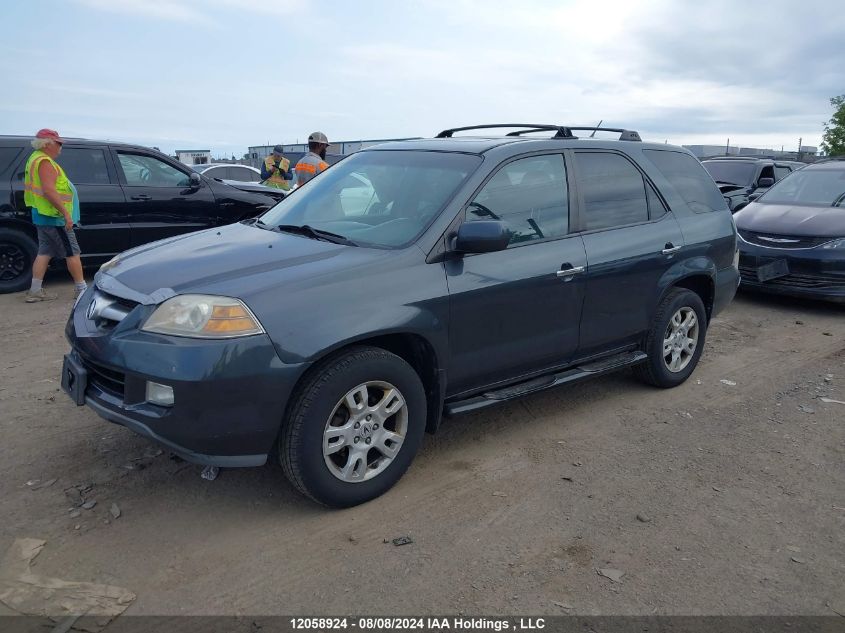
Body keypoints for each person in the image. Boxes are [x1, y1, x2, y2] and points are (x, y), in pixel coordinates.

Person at [23, 129, 87, 303]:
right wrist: (66, 214)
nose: (60, 147)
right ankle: (82, 289)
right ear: (47, 144)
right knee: (72, 252)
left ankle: (35, 290)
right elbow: (49, 191)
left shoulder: (35, 158)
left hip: (43, 214)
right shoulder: (44, 162)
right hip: (54, 216)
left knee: (45, 251)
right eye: (58, 143)